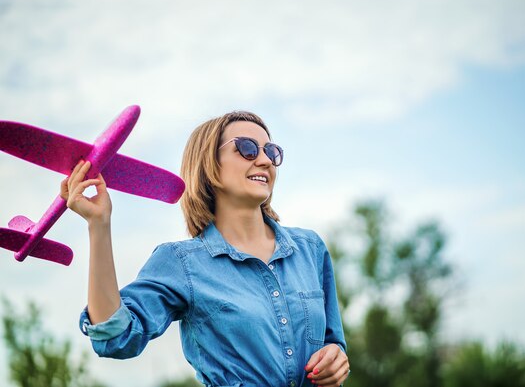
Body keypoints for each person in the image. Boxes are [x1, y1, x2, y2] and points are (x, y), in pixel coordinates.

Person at [61, 111, 349, 387]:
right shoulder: (182, 263)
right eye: (247, 149)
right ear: (209, 165)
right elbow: (116, 337)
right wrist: (99, 225)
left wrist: (336, 358)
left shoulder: (310, 249)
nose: (264, 160)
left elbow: (332, 342)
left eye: (272, 152)